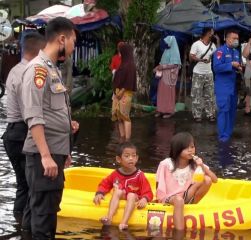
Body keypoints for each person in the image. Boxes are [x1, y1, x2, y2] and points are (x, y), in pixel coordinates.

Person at [21, 17, 79, 239]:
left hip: (54, 153)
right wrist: (46, 156)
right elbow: (34, 116)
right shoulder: (38, 70)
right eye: (73, 41)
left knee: (45, 213)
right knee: (44, 218)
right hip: (42, 157)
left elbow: (52, 112)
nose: (73, 47)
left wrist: (63, 150)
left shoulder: (51, 69)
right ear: (62, 39)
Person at [1, 32, 45, 217]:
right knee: (31, 185)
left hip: (12, 133)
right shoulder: (29, 72)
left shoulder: (15, 69)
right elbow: (30, 111)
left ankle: (18, 225)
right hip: (21, 133)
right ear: (39, 50)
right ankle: (25, 227)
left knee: (23, 185)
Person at [156, 132, 217, 230]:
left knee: (207, 179)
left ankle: (192, 207)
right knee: (178, 200)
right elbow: (159, 185)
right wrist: (160, 202)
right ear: (177, 149)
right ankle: (179, 234)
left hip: (186, 196)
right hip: (169, 198)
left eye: (192, 147)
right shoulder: (166, 164)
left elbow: (215, 180)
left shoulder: (195, 164)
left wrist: (201, 166)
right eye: (186, 148)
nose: (190, 150)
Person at [93, 142, 153, 230]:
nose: (131, 158)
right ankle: (109, 218)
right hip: (122, 195)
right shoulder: (115, 174)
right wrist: (99, 193)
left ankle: (124, 222)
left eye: (133, 156)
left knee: (131, 195)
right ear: (118, 159)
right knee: (117, 191)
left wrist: (144, 199)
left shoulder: (140, 175)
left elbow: (148, 191)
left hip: (134, 197)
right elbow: (105, 184)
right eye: (127, 156)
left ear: (137, 158)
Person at [212, 30, 242, 142]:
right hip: (223, 86)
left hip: (233, 86)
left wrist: (238, 67)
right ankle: (222, 136)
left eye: (237, 39)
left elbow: (237, 65)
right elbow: (217, 67)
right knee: (224, 110)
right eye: (234, 38)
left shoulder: (236, 52)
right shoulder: (220, 51)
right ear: (227, 38)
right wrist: (231, 65)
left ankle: (228, 132)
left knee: (232, 110)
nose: (236, 41)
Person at [189, 27, 217, 123]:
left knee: (210, 95)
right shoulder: (196, 44)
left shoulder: (213, 45)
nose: (214, 35)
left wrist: (218, 41)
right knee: (196, 95)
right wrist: (200, 60)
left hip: (209, 73)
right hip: (198, 73)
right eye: (212, 33)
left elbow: (216, 54)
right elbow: (191, 56)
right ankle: (197, 115)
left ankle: (210, 114)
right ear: (208, 33)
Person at [111, 43, 137, 141]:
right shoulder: (123, 63)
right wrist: (115, 92)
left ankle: (127, 139)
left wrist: (122, 91)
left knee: (125, 116)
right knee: (119, 117)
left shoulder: (130, 65)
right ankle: (122, 138)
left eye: (121, 52)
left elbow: (129, 80)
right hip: (117, 93)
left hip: (124, 93)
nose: (119, 54)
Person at [154, 36, 181, 119]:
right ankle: (160, 109)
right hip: (163, 75)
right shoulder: (166, 50)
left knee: (168, 93)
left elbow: (175, 64)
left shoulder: (175, 52)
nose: (166, 43)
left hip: (170, 76)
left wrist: (162, 67)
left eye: (167, 42)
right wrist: (157, 67)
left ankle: (169, 111)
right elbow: (162, 62)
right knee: (161, 92)